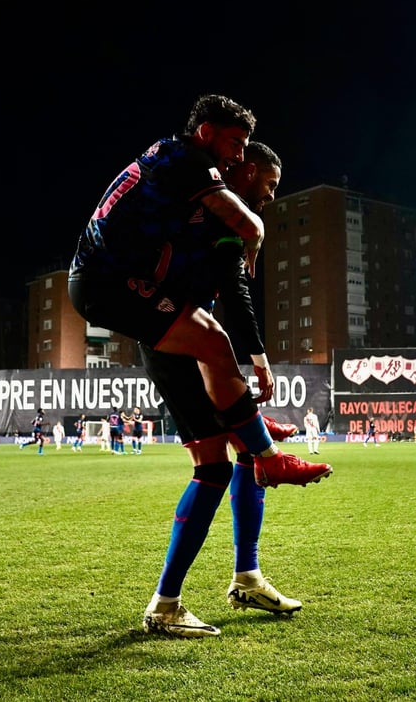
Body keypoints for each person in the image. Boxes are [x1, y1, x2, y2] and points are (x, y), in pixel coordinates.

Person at [68, 94, 314, 478]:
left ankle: (256, 437)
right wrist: (256, 237)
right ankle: (269, 456)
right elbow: (248, 229)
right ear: (205, 133)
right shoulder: (189, 162)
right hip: (106, 282)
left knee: (218, 462)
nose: (238, 156)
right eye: (235, 144)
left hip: (116, 281)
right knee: (215, 346)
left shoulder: (175, 162)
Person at [138, 142, 328, 639]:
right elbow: (236, 295)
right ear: (242, 172)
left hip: (180, 337)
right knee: (216, 466)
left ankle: (247, 577)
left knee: (240, 455)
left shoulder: (216, 213)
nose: (268, 197)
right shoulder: (224, 218)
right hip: (174, 340)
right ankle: (165, 604)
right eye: (267, 185)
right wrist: (259, 360)